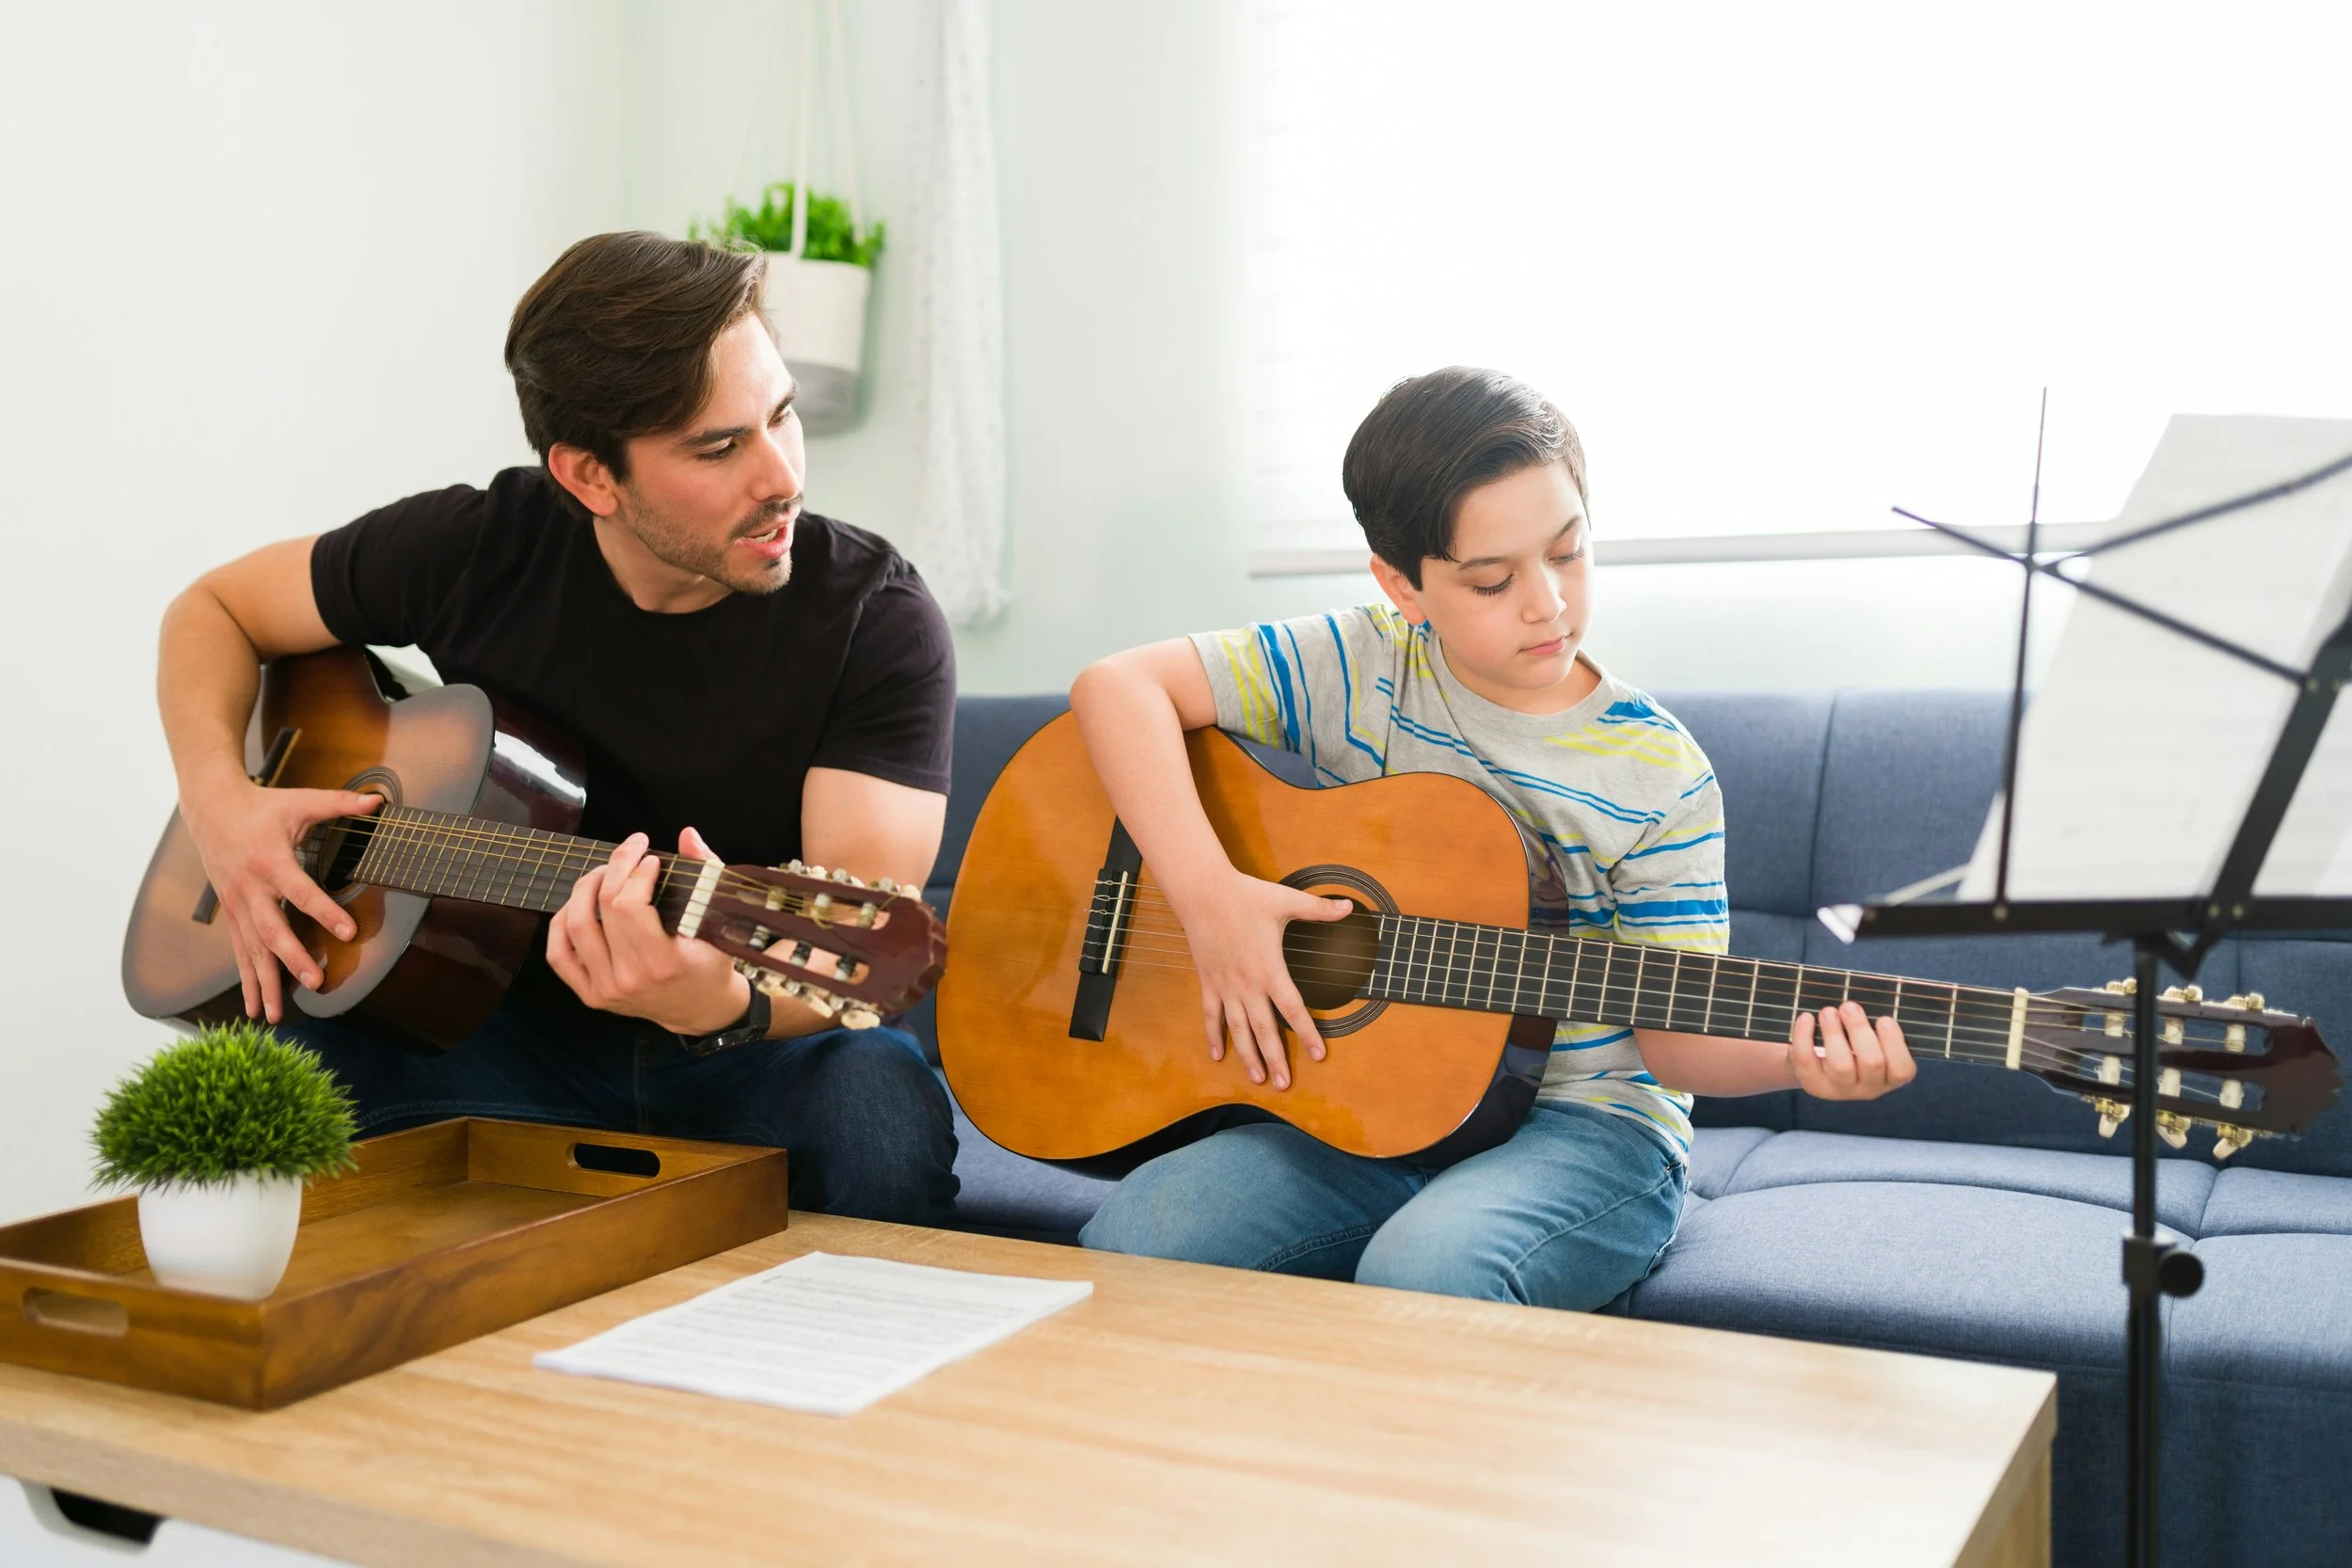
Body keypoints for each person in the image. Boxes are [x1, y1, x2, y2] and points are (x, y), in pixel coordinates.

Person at [153, 232, 960, 1224]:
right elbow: (214, 611)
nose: (781, 474)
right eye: (719, 446)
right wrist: (222, 803)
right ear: (588, 478)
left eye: (781, 415)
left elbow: (865, 946)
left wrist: (720, 1000)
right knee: (268, 1084)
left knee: (877, 1110)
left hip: (747, 1053)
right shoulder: (477, 547)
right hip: (492, 1031)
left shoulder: (874, 620)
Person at [1070, 367, 1916, 1308]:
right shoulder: (1359, 665)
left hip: (1588, 1130)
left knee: (1430, 1273)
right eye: (1491, 579)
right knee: (1137, 1238)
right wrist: (1210, 898)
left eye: (1568, 551)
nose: (1546, 602)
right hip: (1370, 1106)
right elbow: (1117, 687)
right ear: (1403, 585)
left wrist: (1805, 1058)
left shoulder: (1655, 770)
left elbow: (1675, 1047)